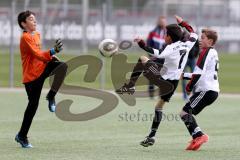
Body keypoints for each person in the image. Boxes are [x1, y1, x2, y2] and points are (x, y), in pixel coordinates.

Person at [116, 15, 198, 147]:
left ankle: (130, 86)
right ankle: (152, 136)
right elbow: (193, 33)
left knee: (143, 59)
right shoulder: (187, 44)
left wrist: (141, 42)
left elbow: (156, 52)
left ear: (169, 37)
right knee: (159, 107)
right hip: (173, 83)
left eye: (166, 34)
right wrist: (182, 23)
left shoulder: (170, 48)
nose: (164, 36)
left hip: (163, 81)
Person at [15, 10, 67, 148]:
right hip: (32, 77)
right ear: (23, 24)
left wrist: (51, 57)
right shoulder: (25, 37)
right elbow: (37, 54)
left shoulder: (37, 34)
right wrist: (52, 52)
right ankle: (21, 136)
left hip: (41, 68)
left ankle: (51, 96)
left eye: (34, 19)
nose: (34, 21)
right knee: (33, 106)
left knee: (62, 66)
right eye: (31, 19)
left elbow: (39, 56)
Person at [181, 28, 219, 151]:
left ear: (210, 41)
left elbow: (198, 74)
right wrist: (183, 75)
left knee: (186, 113)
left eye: (202, 38)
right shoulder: (212, 52)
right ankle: (196, 137)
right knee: (186, 114)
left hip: (206, 90)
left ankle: (200, 136)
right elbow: (201, 74)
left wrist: (188, 87)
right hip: (210, 90)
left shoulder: (206, 52)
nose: (200, 40)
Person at [146, 16, 167, 98]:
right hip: (155, 58)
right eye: (161, 21)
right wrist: (151, 56)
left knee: (163, 76)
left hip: (164, 58)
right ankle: (151, 94)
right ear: (158, 22)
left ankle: (161, 93)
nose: (162, 23)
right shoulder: (153, 33)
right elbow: (148, 45)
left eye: (164, 21)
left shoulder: (168, 33)